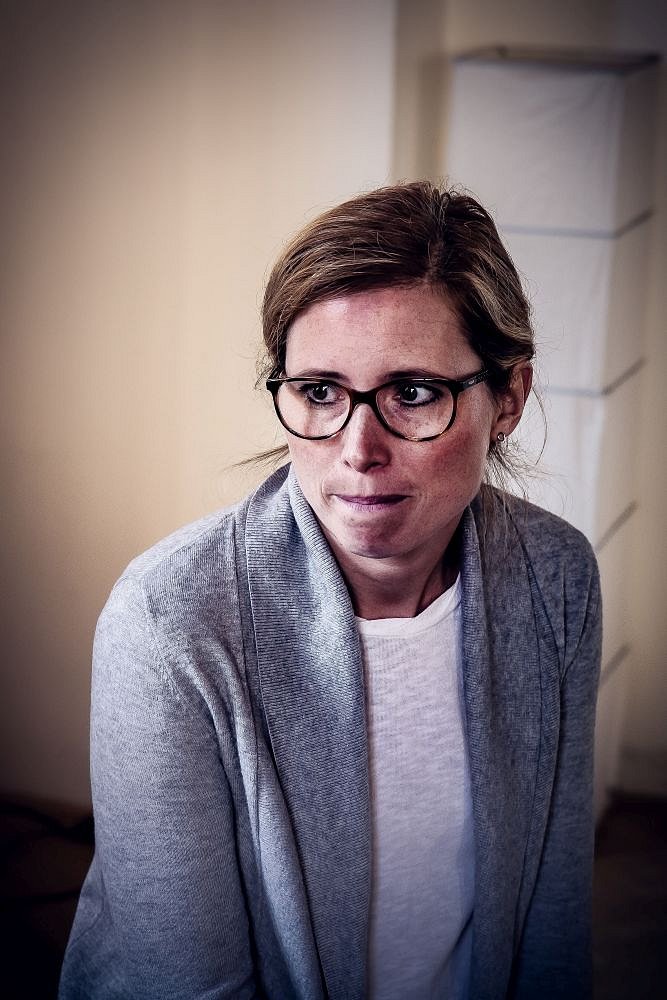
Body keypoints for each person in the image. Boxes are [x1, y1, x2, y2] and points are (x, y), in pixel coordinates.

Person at [59, 182, 601, 1000]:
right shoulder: (170, 622)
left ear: (509, 399)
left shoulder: (555, 577)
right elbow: (190, 987)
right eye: (319, 392)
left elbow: (552, 925)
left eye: (411, 392)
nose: (357, 448)